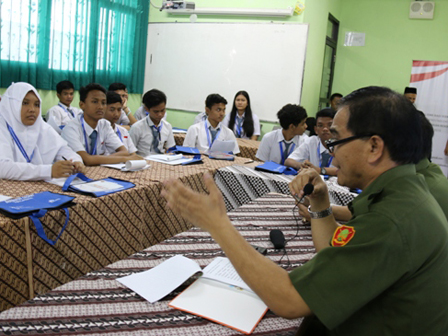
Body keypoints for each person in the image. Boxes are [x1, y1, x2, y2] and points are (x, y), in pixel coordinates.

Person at [161, 86, 448, 336]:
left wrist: (218, 225)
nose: (331, 152)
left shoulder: (392, 220)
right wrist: (321, 204)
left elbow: (288, 301)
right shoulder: (406, 192)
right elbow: (333, 248)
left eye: (335, 141)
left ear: (374, 147)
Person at [300, 110, 448, 223]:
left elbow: (355, 243)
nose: (334, 155)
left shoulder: (413, 190)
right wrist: (320, 207)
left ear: (376, 146)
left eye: (340, 141)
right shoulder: (419, 174)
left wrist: (319, 215)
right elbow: (362, 211)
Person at [0, 82, 85, 180]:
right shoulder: (2, 126)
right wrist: (48, 171)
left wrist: (76, 162)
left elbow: (63, 150)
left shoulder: (41, 126)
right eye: (25, 103)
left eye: (36, 105)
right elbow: (2, 167)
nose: (32, 109)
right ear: (11, 104)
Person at [61, 83, 142, 166]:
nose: (100, 107)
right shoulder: (71, 128)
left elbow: (124, 151)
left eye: (103, 103)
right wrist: (125, 159)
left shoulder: (104, 124)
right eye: (95, 102)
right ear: (82, 105)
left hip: (99, 171)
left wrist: (98, 159)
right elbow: (87, 160)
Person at [285, 108, 337, 175]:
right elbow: (288, 161)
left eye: (330, 125)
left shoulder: (343, 144)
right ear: (316, 129)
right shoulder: (311, 141)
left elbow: (344, 170)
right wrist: (301, 165)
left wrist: (319, 170)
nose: (325, 129)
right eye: (320, 125)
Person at [129, 89, 175, 156]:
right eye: (156, 111)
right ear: (147, 109)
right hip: (143, 161)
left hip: (162, 161)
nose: (160, 114)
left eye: (162, 110)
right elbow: (130, 151)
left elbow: (171, 149)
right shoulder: (137, 127)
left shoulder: (167, 126)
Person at [103, 91, 137, 155]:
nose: (116, 114)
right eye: (112, 110)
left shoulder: (123, 131)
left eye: (119, 110)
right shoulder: (98, 131)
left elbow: (133, 154)